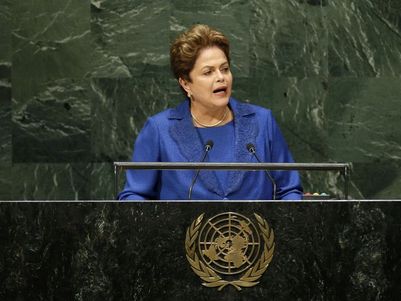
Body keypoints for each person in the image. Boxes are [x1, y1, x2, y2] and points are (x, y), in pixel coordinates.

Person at [118, 24, 302, 200]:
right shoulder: (159, 130)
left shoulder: (262, 122)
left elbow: (289, 190)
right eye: (208, 72)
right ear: (185, 84)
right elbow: (134, 197)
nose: (221, 77)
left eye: (225, 69)